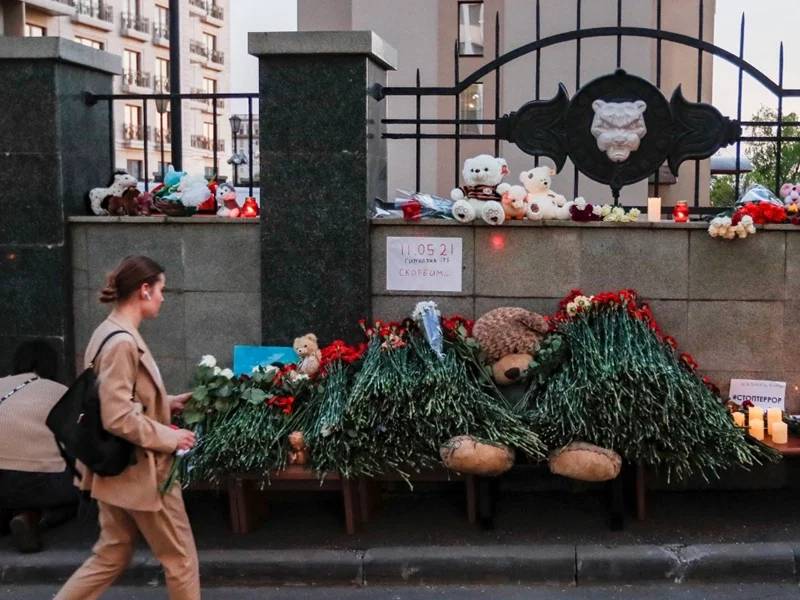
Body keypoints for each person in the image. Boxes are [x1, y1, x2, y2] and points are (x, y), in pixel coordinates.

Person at [56, 256, 200, 600]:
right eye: (161, 289)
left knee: (112, 552)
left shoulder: (106, 332)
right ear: (144, 289)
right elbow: (117, 414)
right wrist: (171, 436)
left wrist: (166, 400)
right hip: (142, 470)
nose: (164, 297)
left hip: (113, 470)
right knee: (181, 560)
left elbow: (114, 395)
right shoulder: (122, 342)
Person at [0, 340, 79, 553]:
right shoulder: (60, 391)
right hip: (39, 481)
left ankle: (12, 516)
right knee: (73, 493)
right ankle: (32, 517)